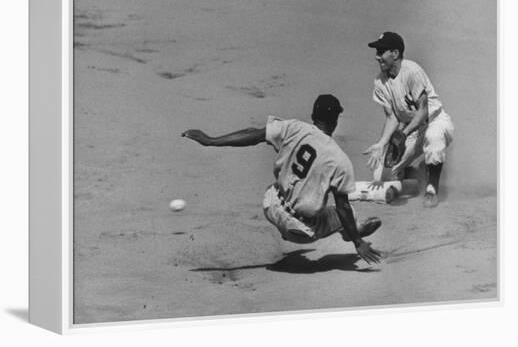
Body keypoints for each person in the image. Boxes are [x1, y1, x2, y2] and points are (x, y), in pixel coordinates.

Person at [182, 94, 382, 264]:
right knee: (348, 213)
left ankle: (346, 231)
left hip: (271, 205)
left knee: (283, 186)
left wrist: (211, 141)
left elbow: (254, 134)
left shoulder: (293, 127)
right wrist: (358, 243)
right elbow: (342, 207)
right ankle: (351, 233)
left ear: (313, 116)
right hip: (301, 229)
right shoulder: (340, 160)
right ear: (335, 121)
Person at [364, 32, 455, 208]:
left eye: (381, 51)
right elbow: (392, 118)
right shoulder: (380, 82)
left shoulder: (412, 71)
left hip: (436, 121)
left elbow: (423, 110)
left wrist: (403, 134)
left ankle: (431, 189)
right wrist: (382, 143)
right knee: (382, 177)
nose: (377, 57)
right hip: (413, 130)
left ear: (395, 53)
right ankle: (415, 178)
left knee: (433, 137)